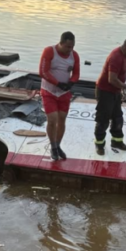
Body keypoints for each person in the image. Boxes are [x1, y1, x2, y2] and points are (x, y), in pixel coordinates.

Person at [94, 36, 126, 156]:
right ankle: (99, 145)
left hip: (115, 91)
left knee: (117, 118)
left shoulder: (124, 56)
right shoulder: (116, 57)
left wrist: (121, 89)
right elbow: (112, 79)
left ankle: (117, 141)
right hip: (105, 92)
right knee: (103, 120)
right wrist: (125, 86)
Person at [39, 32, 80, 161]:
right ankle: (52, 146)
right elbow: (43, 72)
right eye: (67, 47)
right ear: (60, 43)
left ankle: (57, 145)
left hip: (64, 93)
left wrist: (71, 82)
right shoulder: (49, 51)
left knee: (62, 119)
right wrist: (57, 83)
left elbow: (76, 73)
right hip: (49, 91)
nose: (70, 50)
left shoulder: (74, 55)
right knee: (52, 119)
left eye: (72, 47)